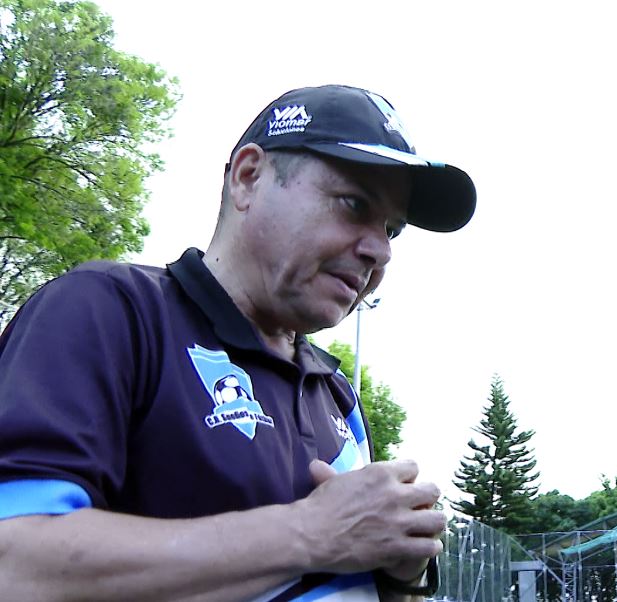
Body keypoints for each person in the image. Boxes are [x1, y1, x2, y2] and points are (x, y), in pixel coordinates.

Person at [0, 84, 476, 600]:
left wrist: (400, 569)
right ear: (248, 177)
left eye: (392, 229)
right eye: (354, 204)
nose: (379, 251)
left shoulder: (336, 391)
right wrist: (309, 533)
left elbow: (354, 568)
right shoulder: (109, 311)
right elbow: (15, 564)